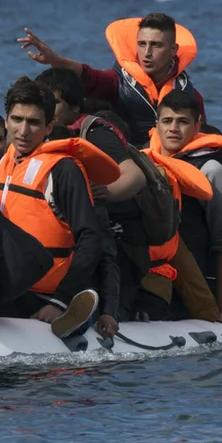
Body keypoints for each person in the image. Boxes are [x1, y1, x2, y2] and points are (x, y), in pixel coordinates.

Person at [0, 77, 121, 339]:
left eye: (34, 122)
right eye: (17, 120)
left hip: (45, 297)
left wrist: (59, 301)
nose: (23, 131)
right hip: (4, 289)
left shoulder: (64, 170)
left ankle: (76, 310)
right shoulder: (3, 162)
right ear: (6, 120)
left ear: (49, 126)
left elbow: (91, 239)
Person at [35, 67, 151, 320]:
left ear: (75, 106)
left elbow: (135, 176)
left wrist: (103, 192)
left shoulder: (95, 133)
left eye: (53, 102)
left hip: (119, 241)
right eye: (40, 100)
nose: (45, 107)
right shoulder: (38, 136)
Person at [149, 91, 222, 321]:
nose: (174, 129)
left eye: (183, 122)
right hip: (155, 274)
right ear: (157, 124)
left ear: (198, 124)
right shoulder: (146, 162)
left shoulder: (212, 171)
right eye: (167, 121)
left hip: (196, 280)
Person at [18, 13, 205, 147]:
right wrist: (56, 60)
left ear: (173, 50)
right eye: (142, 44)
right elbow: (88, 76)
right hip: (131, 156)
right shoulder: (117, 81)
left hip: (175, 157)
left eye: (156, 45)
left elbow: (200, 131)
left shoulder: (189, 94)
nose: (147, 53)